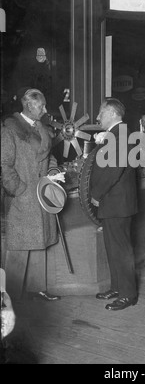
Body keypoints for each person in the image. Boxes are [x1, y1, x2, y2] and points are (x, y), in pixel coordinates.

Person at [1, 88, 64, 301]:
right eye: (42, 106)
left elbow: (49, 156)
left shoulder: (41, 128)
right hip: (23, 196)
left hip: (42, 194)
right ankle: (11, 296)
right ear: (29, 106)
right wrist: (19, 189)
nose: (45, 110)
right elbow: (5, 164)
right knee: (19, 246)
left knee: (39, 243)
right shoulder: (10, 129)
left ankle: (37, 287)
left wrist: (53, 174)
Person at [90, 98, 138, 311]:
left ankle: (128, 294)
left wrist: (96, 194)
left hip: (117, 202)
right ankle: (117, 287)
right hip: (114, 202)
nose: (98, 117)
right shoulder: (116, 135)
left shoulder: (120, 136)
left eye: (100, 113)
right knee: (113, 248)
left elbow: (112, 170)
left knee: (121, 249)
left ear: (111, 113)